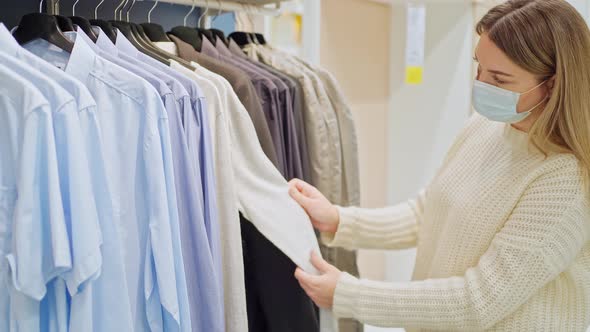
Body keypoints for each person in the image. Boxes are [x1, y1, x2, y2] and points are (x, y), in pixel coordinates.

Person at [288, 0, 590, 330]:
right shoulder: (486, 126)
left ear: (552, 85)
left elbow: (477, 301)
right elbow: (429, 211)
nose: (482, 85)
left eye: (500, 79)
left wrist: (350, 295)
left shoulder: (566, 180)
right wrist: (338, 220)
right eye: (479, 69)